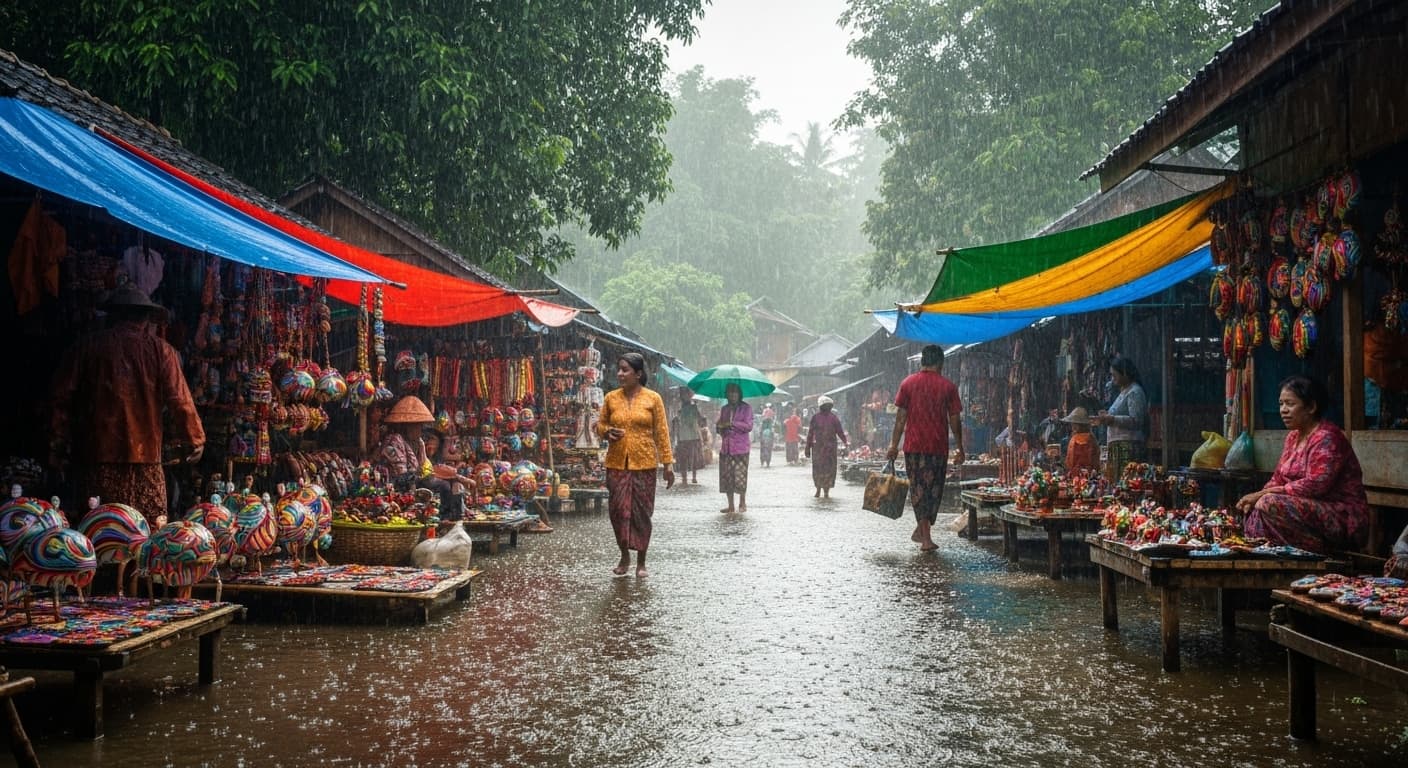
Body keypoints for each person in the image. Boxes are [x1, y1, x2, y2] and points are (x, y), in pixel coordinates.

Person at [50, 285, 204, 525]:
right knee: (149, 528)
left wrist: (57, 442)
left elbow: (60, 399)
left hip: (97, 455)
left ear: (112, 315)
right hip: (146, 459)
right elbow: (180, 400)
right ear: (145, 319)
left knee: (98, 527)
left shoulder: (88, 346)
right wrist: (195, 439)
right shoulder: (162, 351)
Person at [1236, 375, 1369, 554]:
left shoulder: (1328, 437)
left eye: (1290, 404)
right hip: (1306, 509)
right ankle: (1267, 556)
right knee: (1253, 508)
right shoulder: (1293, 437)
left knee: (1267, 502)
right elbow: (1278, 478)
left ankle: (1319, 552)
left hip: (1340, 514)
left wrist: (1264, 494)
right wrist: (1256, 498)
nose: (1283, 410)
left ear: (1311, 407)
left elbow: (1316, 485)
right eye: (1281, 403)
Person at [597, 353, 674, 577]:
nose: (620, 374)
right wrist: (606, 432)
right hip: (617, 463)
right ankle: (624, 555)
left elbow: (661, 432)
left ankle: (641, 560)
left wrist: (668, 464)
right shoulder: (611, 398)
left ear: (638, 374)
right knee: (618, 511)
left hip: (645, 463)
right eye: (619, 369)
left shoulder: (653, 399)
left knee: (642, 512)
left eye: (625, 370)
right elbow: (600, 424)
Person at [886, 344, 963, 551]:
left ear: (922, 361)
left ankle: (922, 530)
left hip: (913, 447)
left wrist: (894, 445)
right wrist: (961, 447)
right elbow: (955, 419)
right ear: (940, 363)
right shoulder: (948, 387)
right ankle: (926, 539)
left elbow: (900, 418)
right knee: (934, 490)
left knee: (918, 489)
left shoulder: (908, 383)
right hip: (937, 447)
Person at [1090, 356, 1148, 479]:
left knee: (1126, 482)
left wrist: (1111, 419)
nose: (1112, 379)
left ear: (1125, 373)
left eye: (1114, 375)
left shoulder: (1135, 392)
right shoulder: (1124, 392)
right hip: (1118, 446)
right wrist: (1105, 416)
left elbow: (1136, 420)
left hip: (1128, 446)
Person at [373, 396, 436, 489]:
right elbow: (401, 474)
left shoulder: (418, 442)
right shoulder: (394, 441)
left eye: (420, 426)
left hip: (411, 481)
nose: (420, 430)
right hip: (393, 485)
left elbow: (424, 466)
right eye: (416, 426)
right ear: (407, 427)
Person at [716, 382, 753, 514]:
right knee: (727, 476)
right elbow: (720, 427)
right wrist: (720, 426)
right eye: (730, 393)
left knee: (740, 476)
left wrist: (732, 424)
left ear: (739, 394)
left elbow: (748, 426)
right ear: (727, 395)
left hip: (741, 448)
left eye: (735, 392)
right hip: (726, 448)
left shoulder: (746, 408)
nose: (732, 395)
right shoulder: (724, 409)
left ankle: (742, 502)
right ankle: (730, 505)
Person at [805, 396, 848, 498]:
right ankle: (825, 491)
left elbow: (810, 434)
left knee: (819, 469)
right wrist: (845, 442)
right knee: (828, 469)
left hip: (820, 449)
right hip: (828, 449)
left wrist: (808, 447)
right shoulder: (833, 418)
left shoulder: (816, 418)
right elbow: (840, 432)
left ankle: (820, 490)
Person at [674, 388, 703, 484]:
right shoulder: (679, 408)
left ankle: (694, 476)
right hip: (682, 436)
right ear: (681, 396)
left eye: (687, 394)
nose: (685, 396)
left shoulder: (694, 407)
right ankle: (684, 477)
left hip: (693, 436)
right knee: (683, 458)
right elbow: (676, 421)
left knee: (693, 457)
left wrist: (697, 411)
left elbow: (700, 419)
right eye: (683, 394)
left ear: (689, 395)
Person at [1062, 407, 1099, 473]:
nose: (1073, 426)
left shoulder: (1090, 439)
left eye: (1076, 424)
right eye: (1073, 423)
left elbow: (1092, 460)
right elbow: (1069, 460)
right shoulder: (1073, 438)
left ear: (1082, 425)